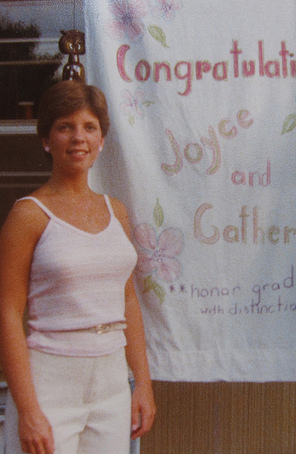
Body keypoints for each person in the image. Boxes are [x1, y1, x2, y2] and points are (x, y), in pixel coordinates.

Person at [0, 80, 156, 454]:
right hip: (49, 382)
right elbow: (7, 312)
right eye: (65, 127)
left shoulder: (116, 211)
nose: (78, 137)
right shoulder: (28, 215)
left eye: (89, 127)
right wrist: (28, 409)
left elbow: (128, 301)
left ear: (101, 140)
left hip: (112, 383)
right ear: (46, 139)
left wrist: (143, 384)